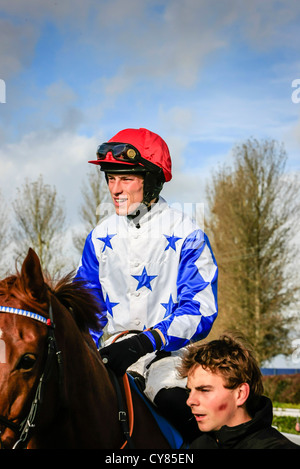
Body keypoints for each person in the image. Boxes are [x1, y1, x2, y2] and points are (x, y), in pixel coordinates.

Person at [75, 127, 218, 441]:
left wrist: (147, 341)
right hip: (109, 353)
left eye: (126, 178)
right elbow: (86, 305)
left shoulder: (187, 233)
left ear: (153, 180)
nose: (115, 188)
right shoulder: (99, 237)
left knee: (171, 400)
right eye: (110, 178)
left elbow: (201, 309)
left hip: (170, 355)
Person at [178, 333, 300, 449]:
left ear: (240, 394)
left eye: (204, 390)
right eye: (190, 391)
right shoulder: (199, 445)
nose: (190, 401)